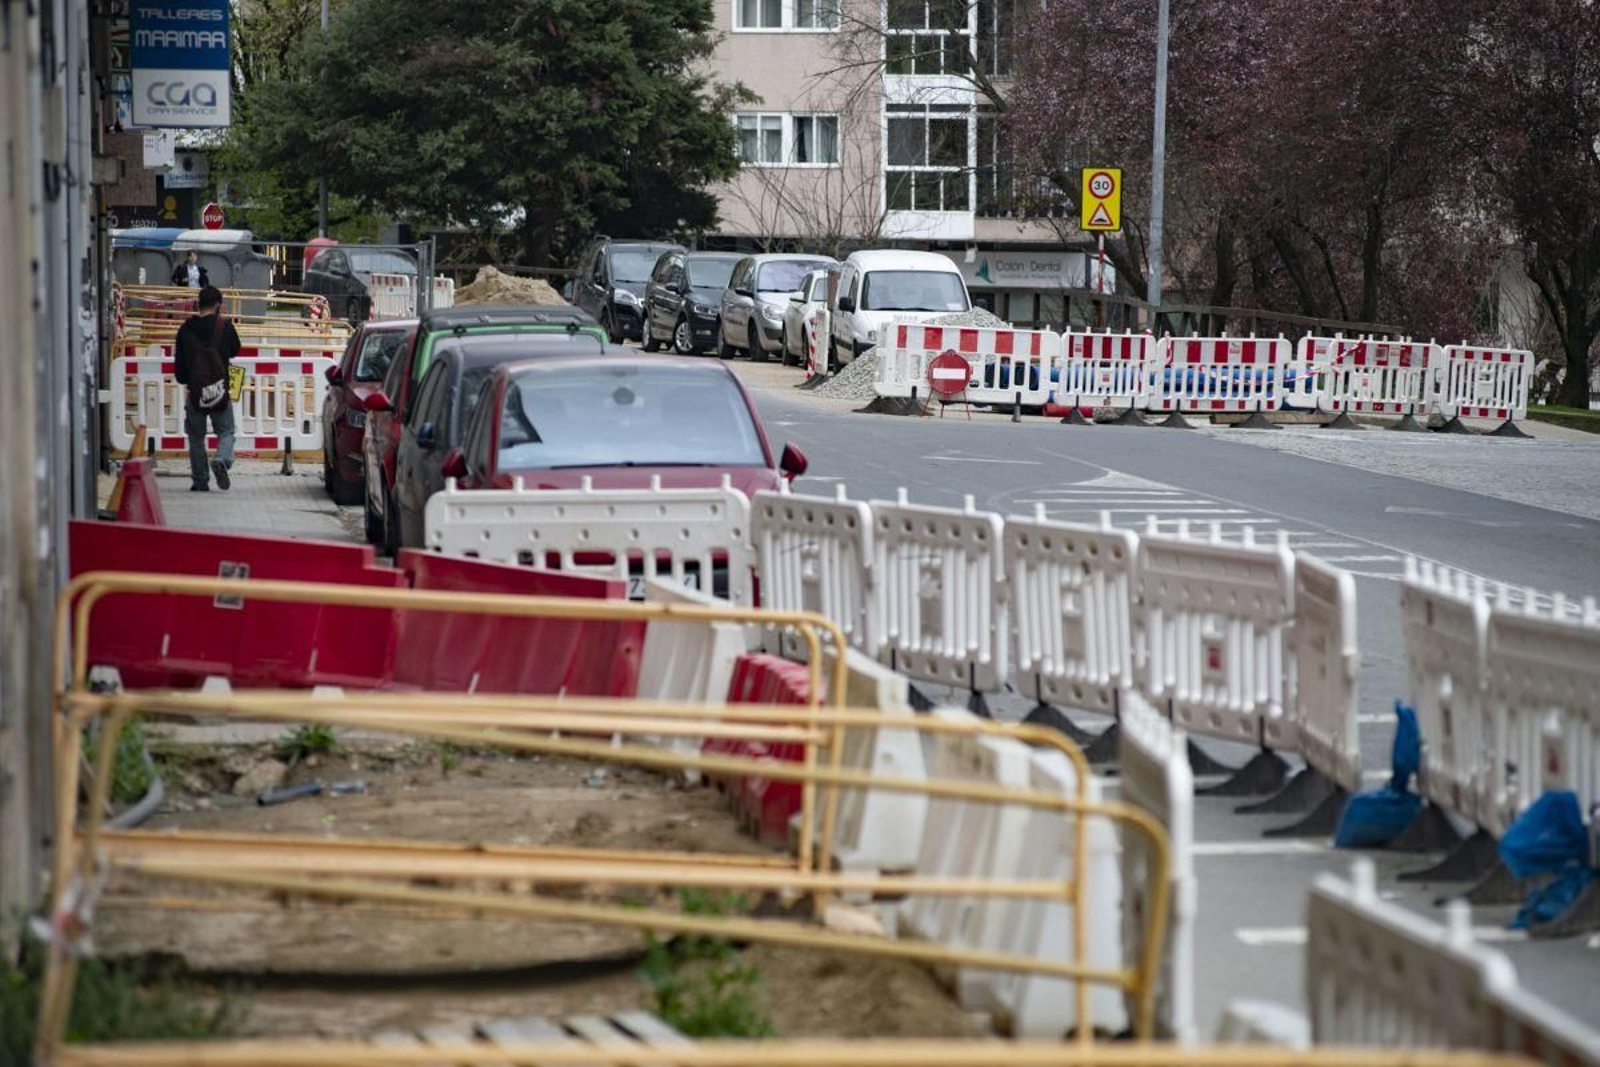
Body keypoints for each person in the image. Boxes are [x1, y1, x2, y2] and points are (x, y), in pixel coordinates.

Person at [172, 285, 241, 492]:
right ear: (218, 306)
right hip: (220, 391)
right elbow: (236, 349)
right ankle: (220, 459)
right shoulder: (225, 327)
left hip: (195, 393)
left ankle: (200, 481)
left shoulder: (185, 330)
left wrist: (190, 382)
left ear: (198, 305)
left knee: (196, 437)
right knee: (226, 431)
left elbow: (180, 370)